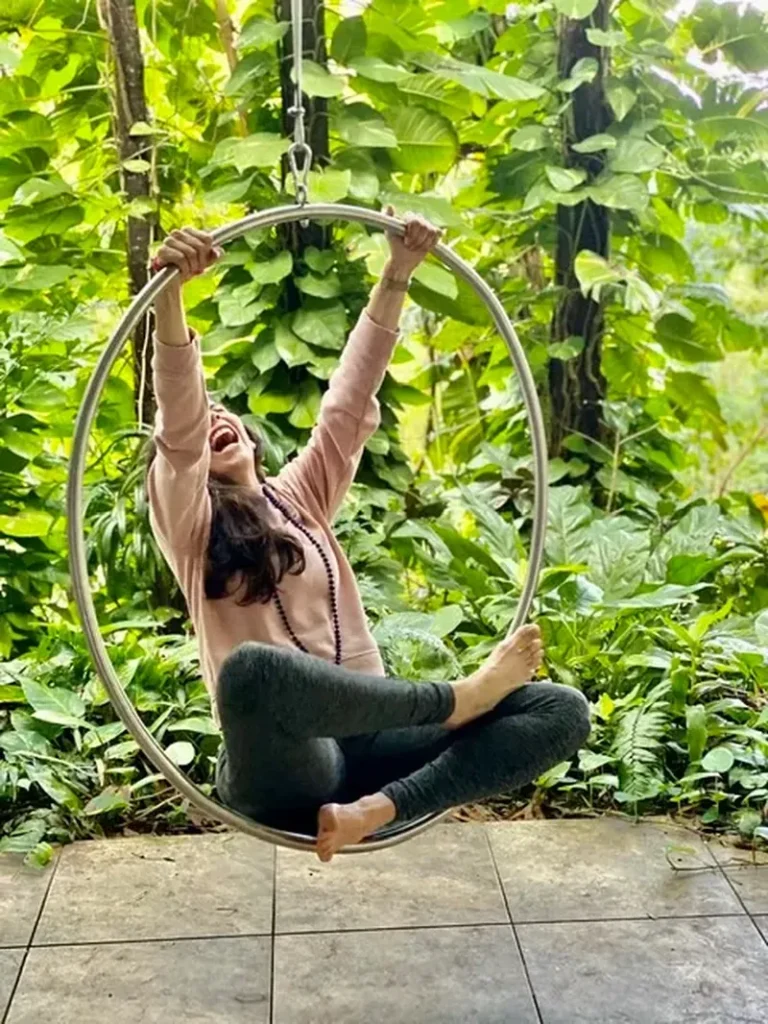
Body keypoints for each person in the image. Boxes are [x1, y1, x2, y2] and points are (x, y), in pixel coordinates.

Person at [147, 216, 590, 862]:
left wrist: (397, 273)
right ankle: (456, 698)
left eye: (225, 414)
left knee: (561, 710)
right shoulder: (189, 524)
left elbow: (350, 402)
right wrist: (169, 299)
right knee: (250, 672)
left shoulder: (301, 497)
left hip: (377, 750)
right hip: (286, 766)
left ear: (250, 439)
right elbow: (180, 426)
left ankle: (375, 811)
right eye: (204, 417)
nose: (214, 418)